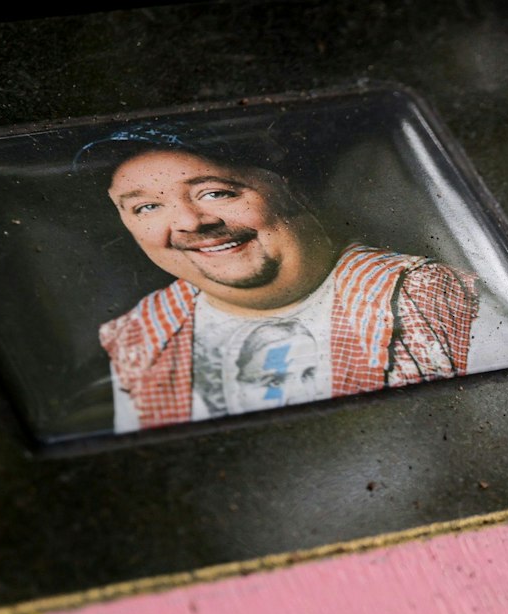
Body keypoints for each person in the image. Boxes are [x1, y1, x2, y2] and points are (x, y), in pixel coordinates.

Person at [83, 128, 486, 432]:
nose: (190, 222)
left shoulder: (424, 294)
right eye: (148, 207)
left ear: (289, 189)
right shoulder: (141, 336)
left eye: (216, 193)